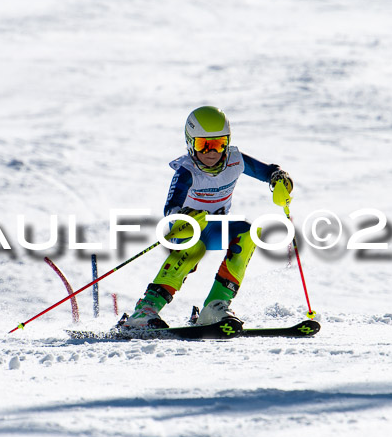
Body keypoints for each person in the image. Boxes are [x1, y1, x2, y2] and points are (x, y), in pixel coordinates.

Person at [121, 106, 293, 329]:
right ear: (190, 143)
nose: (212, 152)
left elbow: (267, 171)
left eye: (220, 143)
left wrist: (279, 177)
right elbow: (170, 208)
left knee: (248, 232)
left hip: (215, 227)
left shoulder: (235, 160)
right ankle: (145, 310)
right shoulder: (187, 170)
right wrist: (185, 216)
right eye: (204, 145)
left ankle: (216, 306)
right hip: (186, 227)